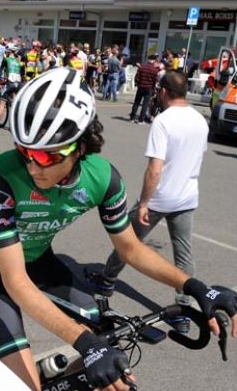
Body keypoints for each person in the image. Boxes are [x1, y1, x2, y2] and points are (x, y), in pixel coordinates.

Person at [0, 66, 237, 391]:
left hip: (41, 261)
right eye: (24, 151)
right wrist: (86, 344)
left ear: (81, 146)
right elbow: (15, 281)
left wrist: (194, 286)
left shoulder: (104, 179)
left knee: (101, 328)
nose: (33, 167)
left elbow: (130, 249)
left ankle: (62, 378)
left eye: (47, 155)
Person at [87, 71, 212, 333]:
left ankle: (107, 280)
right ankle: (183, 309)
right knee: (184, 253)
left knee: (127, 240)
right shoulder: (200, 120)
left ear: (163, 91)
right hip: (187, 196)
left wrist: (144, 202)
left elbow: (155, 168)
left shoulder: (164, 121)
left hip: (160, 197)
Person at [129, 54, 160, 124]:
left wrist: (138, 84)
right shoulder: (155, 70)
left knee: (136, 102)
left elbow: (137, 77)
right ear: (154, 61)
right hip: (149, 88)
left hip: (140, 87)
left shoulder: (141, 67)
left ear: (148, 60)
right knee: (145, 104)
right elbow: (155, 81)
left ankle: (132, 118)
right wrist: (154, 89)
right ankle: (141, 120)